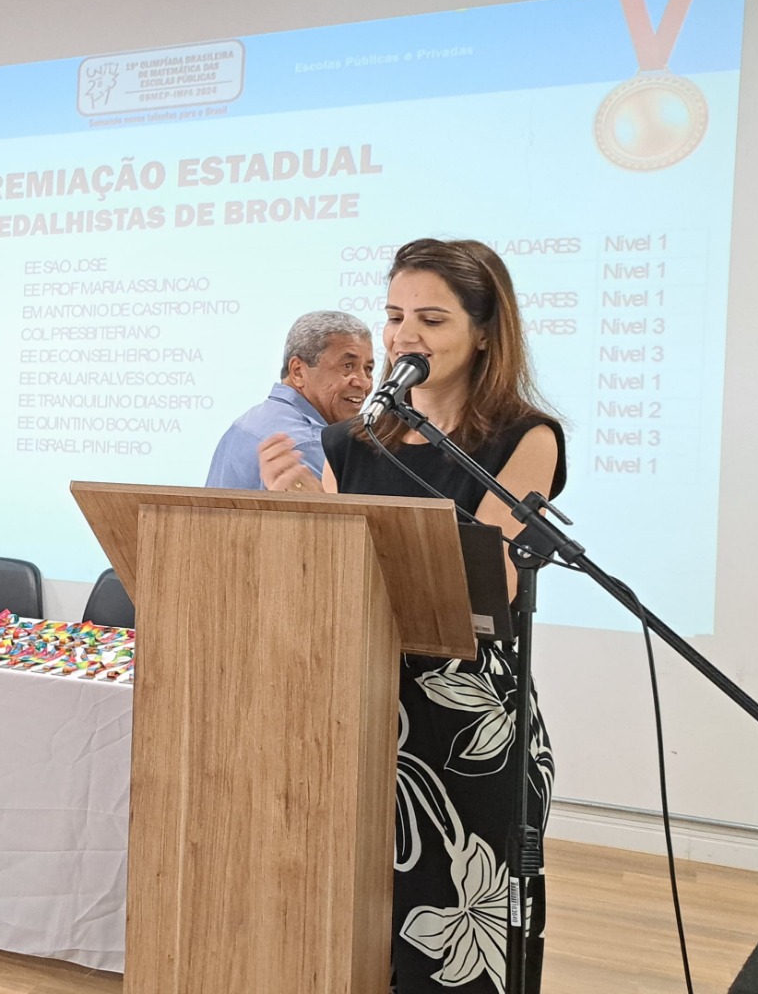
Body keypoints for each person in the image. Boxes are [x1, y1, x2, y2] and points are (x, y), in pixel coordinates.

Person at [259, 238, 563, 994]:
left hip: (467, 723)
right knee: (356, 940)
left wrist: (339, 525)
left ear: (485, 332)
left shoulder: (524, 438)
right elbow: (331, 588)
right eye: (395, 317)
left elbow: (485, 582)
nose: (403, 337)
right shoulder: (348, 441)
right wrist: (302, 523)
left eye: (431, 318)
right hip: (361, 713)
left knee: (456, 943)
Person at [205, 310, 373, 489]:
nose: (364, 383)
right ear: (298, 371)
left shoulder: (248, 421)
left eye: (368, 369)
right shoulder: (308, 445)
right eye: (348, 366)